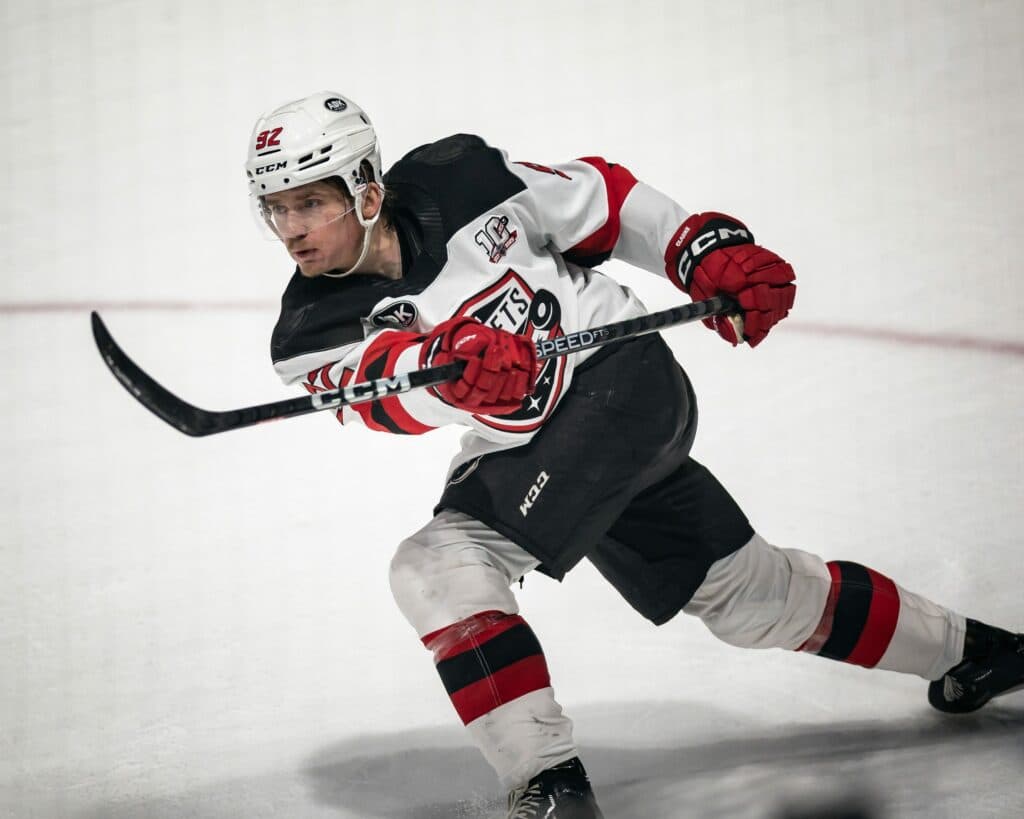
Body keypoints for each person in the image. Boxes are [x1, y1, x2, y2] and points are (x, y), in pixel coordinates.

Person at [245, 91, 1023, 818]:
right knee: (754, 595)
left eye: (311, 200)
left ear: (367, 191)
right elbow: (382, 391)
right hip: (553, 438)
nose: (293, 228)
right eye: (277, 208)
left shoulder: (463, 175)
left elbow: (603, 201)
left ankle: (550, 783)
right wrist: (448, 380)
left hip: (624, 387)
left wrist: (697, 249)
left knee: (436, 566)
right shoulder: (309, 330)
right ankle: (982, 652)